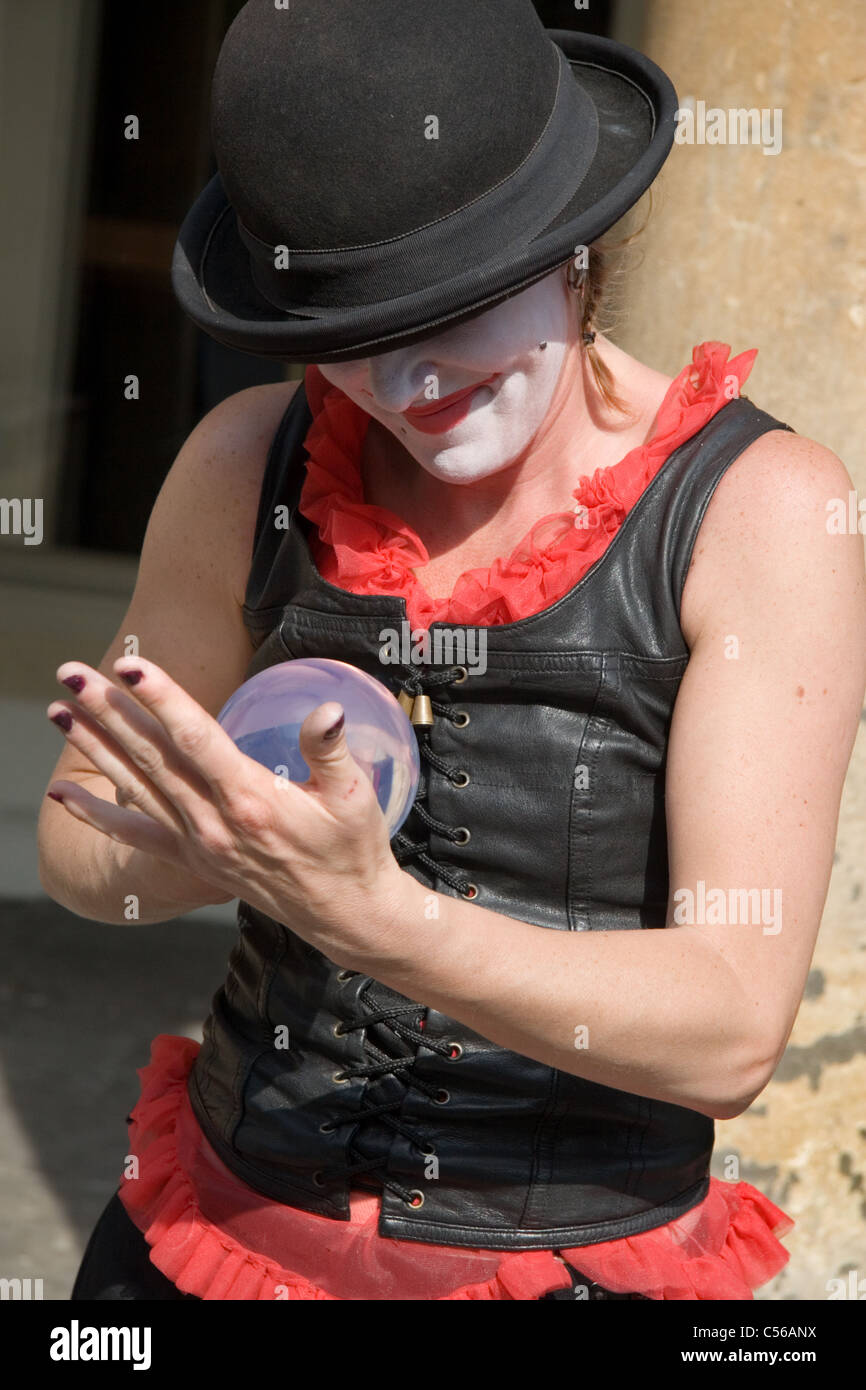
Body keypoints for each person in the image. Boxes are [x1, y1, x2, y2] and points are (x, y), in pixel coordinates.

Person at [38, 0, 865, 1301]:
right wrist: (194, 846)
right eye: (345, 332)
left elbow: (728, 1026)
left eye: (450, 313)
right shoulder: (243, 461)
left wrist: (381, 919)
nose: (402, 382)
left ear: (570, 248)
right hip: (203, 1251)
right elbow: (80, 858)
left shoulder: (761, 510)